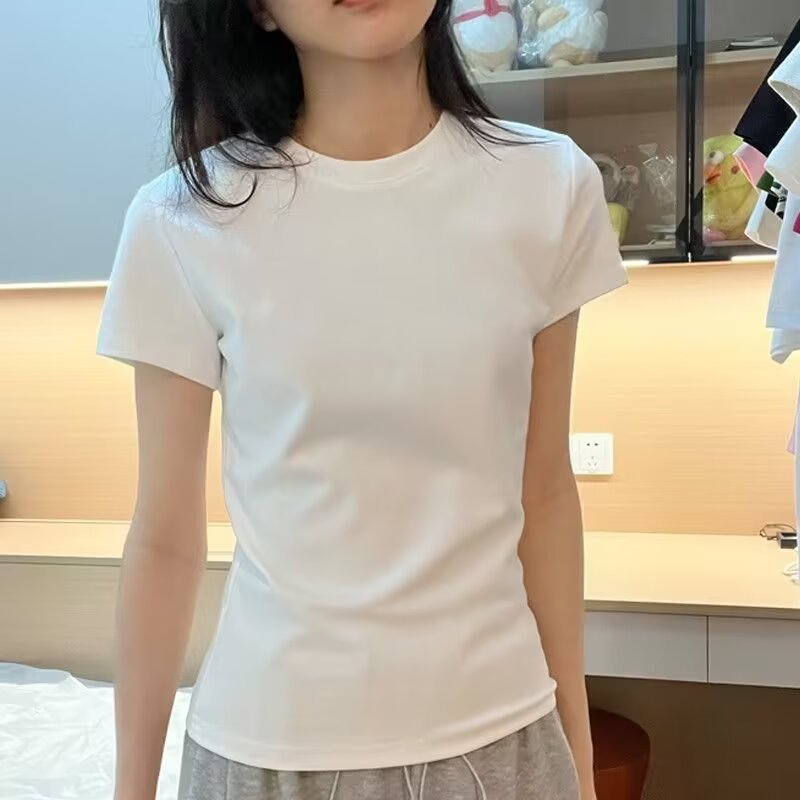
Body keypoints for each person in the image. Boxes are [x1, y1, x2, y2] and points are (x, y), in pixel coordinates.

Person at [97, 1, 627, 799]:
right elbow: (165, 540)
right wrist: (131, 789)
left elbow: (544, 492)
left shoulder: (549, 186)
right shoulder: (182, 220)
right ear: (256, 9)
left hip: (506, 738)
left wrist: (576, 755)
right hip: (269, 753)